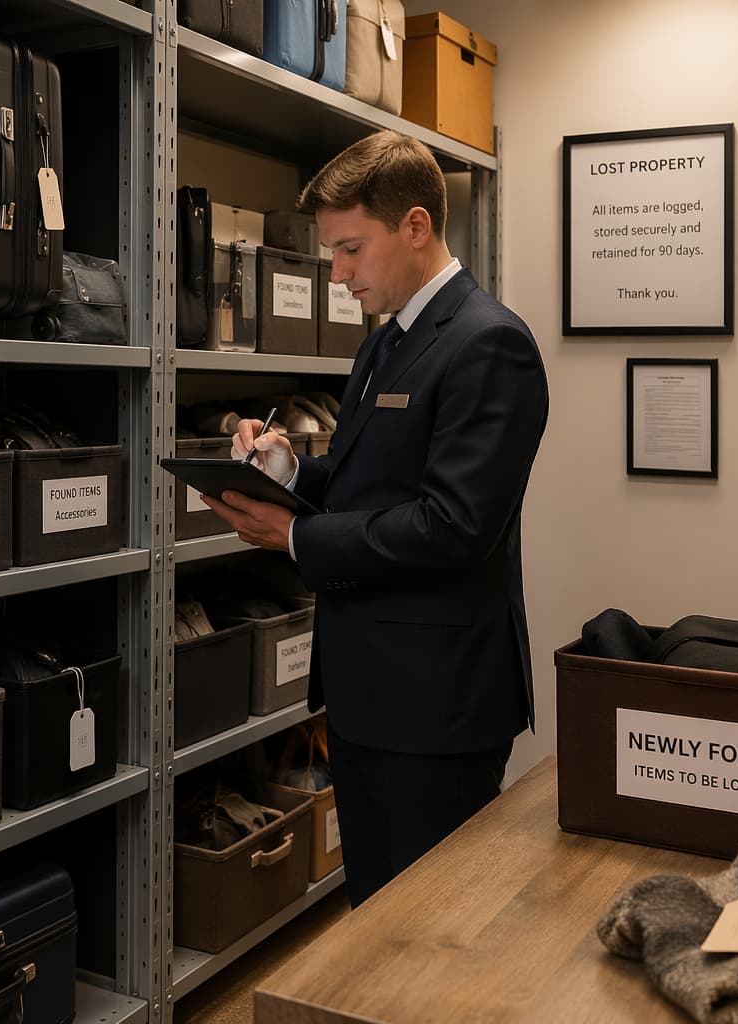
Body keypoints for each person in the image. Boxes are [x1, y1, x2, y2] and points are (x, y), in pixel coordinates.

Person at [200, 130, 549, 907]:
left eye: (352, 249)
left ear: (416, 227)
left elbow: (453, 525)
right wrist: (284, 470)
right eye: (333, 253)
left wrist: (292, 535)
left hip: (436, 706)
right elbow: (364, 483)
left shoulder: (489, 344)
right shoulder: (383, 344)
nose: (340, 273)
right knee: (377, 919)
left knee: (429, 938)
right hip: (364, 692)